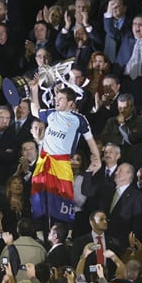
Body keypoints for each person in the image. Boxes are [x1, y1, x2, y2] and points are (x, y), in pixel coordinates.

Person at [28, 80, 100, 223]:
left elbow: (90, 139)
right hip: (44, 161)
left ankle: (64, 233)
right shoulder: (51, 114)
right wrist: (35, 91)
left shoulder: (78, 120)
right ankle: (40, 231)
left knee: (62, 204)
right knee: (38, 200)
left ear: (70, 103)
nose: (56, 101)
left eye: (60, 99)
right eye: (56, 98)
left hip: (62, 164)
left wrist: (97, 158)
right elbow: (35, 110)